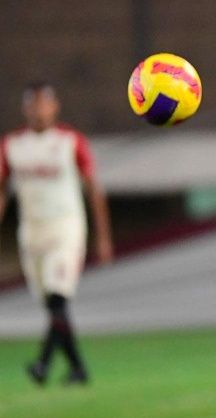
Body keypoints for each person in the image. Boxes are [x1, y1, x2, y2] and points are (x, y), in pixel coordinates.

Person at [0, 82, 114, 386]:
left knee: (57, 298)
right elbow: (2, 190)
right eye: (33, 104)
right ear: (25, 109)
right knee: (52, 306)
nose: (38, 110)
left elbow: (94, 189)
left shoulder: (70, 141)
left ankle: (42, 363)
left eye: (43, 104)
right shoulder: (12, 145)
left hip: (66, 227)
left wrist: (103, 237)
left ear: (54, 107)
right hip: (31, 232)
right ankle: (77, 369)